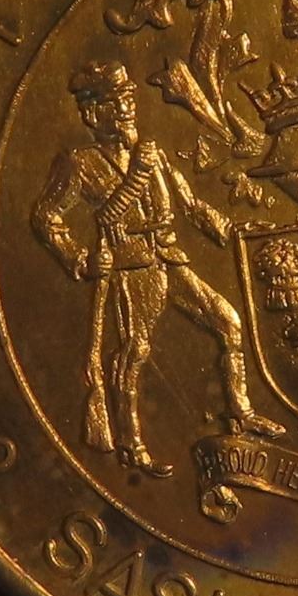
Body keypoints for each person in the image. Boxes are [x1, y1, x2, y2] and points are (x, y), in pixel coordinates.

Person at [33, 61, 281, 475]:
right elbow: (46, 216)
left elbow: (190, 204)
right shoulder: (80, 163)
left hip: (168, 258)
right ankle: (131, 444)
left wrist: (232, 228)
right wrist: (80, 258)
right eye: (115, 101)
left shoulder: (153, 156)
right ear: (93, 113)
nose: (127, 107)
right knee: (134, 353)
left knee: (229, 323)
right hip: (132, 268)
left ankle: (240, 412)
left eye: (129, 98)